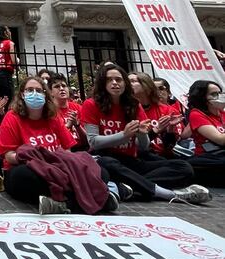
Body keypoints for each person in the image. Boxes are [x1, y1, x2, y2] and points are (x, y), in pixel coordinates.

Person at [79, 63, 208, 205]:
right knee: (108, 163)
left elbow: (143, 147)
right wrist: (124, 135)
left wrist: (141, 134)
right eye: (109, 80)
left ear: (125, 83)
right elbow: (93, 142)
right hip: (105, 157)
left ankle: (128, 187)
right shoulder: (91, 104)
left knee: (184, 168)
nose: (115, 83)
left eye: (119, 79)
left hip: (130, 159)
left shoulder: (134, 104)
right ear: (102, 84)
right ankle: (167, 194)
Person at [0, 75, 118, 216]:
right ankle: (97, 199)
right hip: (28, 168)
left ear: (45, 94)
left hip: (58, 167)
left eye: (38, 90)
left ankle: (64, 204)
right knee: (24, 177)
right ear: (22, 95)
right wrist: (36, 158)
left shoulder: (53, 117)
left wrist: (54, 162)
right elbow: (9, 156)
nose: (34, 94)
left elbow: (67, 150)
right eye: (30, 90)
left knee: (100, 171)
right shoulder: (12, 117)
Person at [129, 71, 183, 157]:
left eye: (133, 81)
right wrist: (156, 129)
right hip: (139, 156)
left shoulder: (167, 110)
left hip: (162, 156)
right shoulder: (126, 110)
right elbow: (134, 145)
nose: (128, 84)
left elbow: (169, 146)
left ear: (147, 85)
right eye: (127, 81)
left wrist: (170, 129)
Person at [185, 79, 225, 185]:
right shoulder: (196, 114)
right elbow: (220, 140)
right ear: (202, 98)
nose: (219, 96)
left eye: (220, 93)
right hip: (210, 157)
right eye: (214, 94)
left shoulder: (222, 113)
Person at [48, 73, 87, 148]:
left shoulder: (78, 108)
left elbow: (88, 141)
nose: (62, 89)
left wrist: (77, 125)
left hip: (82, 149)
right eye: (57, 87)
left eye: (64, 86)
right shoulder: (49, 111)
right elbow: (52, 141)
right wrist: (67, 126)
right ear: (50, 92)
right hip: (64, 151)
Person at [0, 26, 17, 104]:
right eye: (9, 30)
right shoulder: (9, 43)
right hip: (5, 72)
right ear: (5, 32)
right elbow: (14, 61)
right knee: (8, 98)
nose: (10, 32)